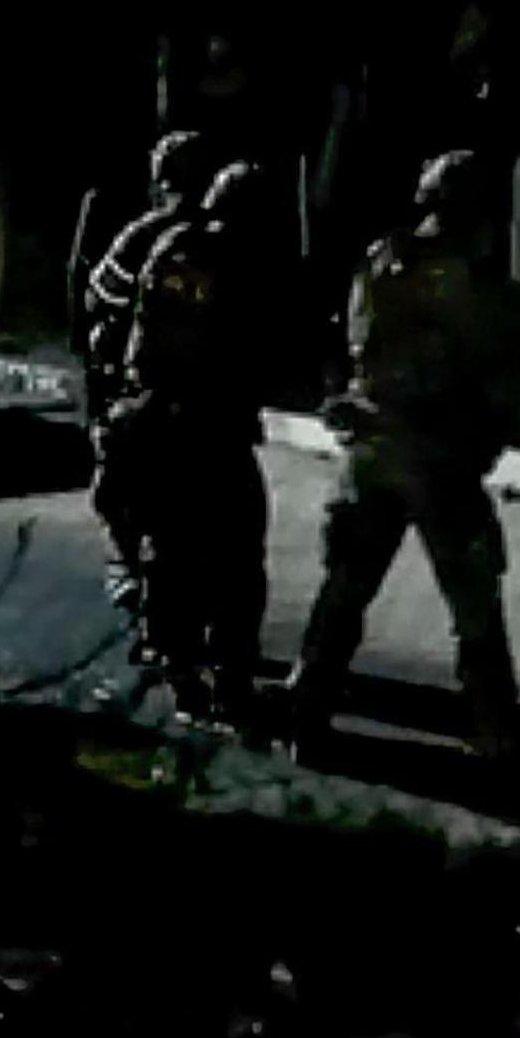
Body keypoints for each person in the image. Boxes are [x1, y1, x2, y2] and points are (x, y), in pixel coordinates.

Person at [286, 150, 520, 759]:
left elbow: (354, 345)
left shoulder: (381, 263)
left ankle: (306, 709)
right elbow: (501, 374)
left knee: (345, 588)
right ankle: (495, 730)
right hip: (440, 459)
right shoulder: (478, 282)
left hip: (375, 451)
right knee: (473, 602)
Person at [112, 159, 297, 720]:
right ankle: (228, 679)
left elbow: (142, 339)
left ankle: (181, 671)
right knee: (237, 560)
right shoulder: (238, 264)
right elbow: (254, 351)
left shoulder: (175, 248)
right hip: (209, 429)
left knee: (172, 552)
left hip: (165, 423)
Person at [77, 130, 222, 657]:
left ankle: (147, 606)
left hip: (145, 398)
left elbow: (99, 296)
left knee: (123, 501)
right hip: (210, 405)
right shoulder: (226, 236)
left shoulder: (146, 234)